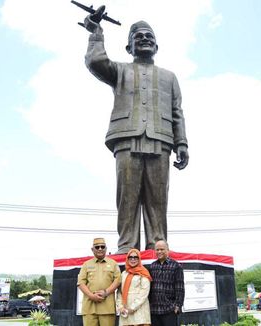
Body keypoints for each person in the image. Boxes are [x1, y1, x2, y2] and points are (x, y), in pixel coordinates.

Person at [83, 11, 189, 254]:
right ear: (128, 46)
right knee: (127, 198)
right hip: (127, 139)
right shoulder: (119, 70)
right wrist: (96, 33)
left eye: (148, 36)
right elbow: (96, 63)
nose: (144, 39)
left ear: (157, 45)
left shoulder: (169, 77)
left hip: (161, 140)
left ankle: (157, 247)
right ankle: (127, 246)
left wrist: (182, 142)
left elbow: (177, 111)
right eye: (138, 36)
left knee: (157, 200)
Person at [77, 238, 121, 326]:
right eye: (97, 247)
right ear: (92, 249)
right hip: (89, 307)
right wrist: (91, 296)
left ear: (106, 248)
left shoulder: (113, 264)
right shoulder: (86, 264)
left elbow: (118, 281)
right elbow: (80, 283)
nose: (100, 249)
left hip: (107, 307)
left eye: (102, 247)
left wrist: (106, 292)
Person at [148, 240, 184, 326]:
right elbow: (149, 287)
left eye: (162, 249)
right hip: (154, 310)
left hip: (169, 310)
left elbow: (180, 287)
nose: (159, 251)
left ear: (168, 250)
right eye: (157, 249)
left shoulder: (176, 266)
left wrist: (177, 306)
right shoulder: (152, 266)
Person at [116, 249, 152, 326]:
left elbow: (144, 293)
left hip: (140, 312)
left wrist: (132, 307)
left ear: (139, 259)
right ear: (127, 259)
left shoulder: (143, 272)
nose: (133, 259)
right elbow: (119, 291)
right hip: (125, 312)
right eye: (130, 257)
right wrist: (120, 307)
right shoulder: (124, 274)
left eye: (135, 257)